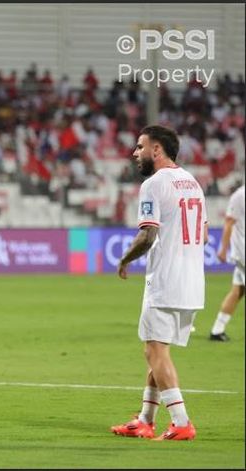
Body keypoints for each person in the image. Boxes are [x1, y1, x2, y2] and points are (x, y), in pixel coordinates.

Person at [111, 125, 206, 441]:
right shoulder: (192, 183)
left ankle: (181, 422)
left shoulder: (154, 184)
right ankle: (145, 419)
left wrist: (125, 259)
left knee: (155, 351)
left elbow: (148, 235)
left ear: (156, 150)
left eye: (140, 147)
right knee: (155, 350)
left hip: (166, 281)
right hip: (193, 282)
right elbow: (202, 234)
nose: (134, 153)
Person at [209, 184, 245, 341]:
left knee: (238, 290)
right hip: (243, 252)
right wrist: (223, 249)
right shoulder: (240, 195)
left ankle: (217, 330)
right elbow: (229, 222)